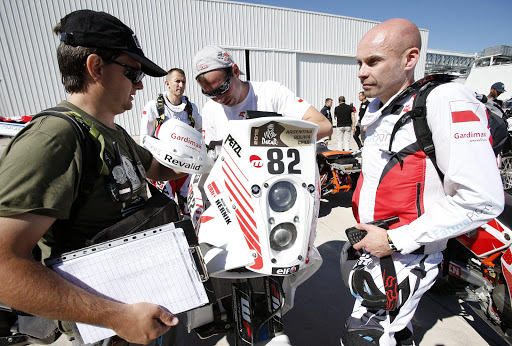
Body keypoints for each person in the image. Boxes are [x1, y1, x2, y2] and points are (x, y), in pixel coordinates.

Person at [0, 10, 185, 345]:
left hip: (140, 313)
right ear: (96, 67)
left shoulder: (114, 132)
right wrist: (116, 317)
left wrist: (203, 159)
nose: (141, 84)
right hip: (104, 329)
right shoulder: (55, 139)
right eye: (133, 72)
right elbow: (3, 267)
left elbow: (158, 169)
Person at [341, 18, 504, 345]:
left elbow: (483, 199)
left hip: (405, 255)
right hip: (373, 249)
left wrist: (396, 240)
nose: (361, 71)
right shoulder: (376, 108)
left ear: (409, 59)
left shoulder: (445, 99)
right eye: (359, 62)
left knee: (365, 338)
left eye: (373, 61)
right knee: (395, 332)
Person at [192, 45, 332, 145]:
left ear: (235, 71)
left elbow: (324, 125)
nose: (220, 99)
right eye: (211, 94)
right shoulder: (210, 109)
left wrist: (268, 138)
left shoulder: (271, 93)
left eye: (223, 88)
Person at [140, 68, 202, 213]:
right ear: (167, 84)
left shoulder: (191, 108)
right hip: (162, 167)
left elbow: (200, 132)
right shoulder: (153, 107)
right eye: (177, 81)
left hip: (185, 168)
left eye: (183, 82)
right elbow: (145, 139)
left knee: (188, 208)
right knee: (164, 210)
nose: (181, 85)